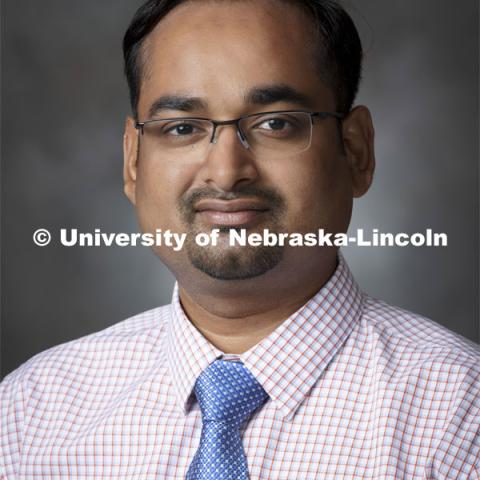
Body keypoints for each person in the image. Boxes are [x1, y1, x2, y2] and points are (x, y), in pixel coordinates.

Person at [1, 0, 479, 478]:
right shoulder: (30, 414)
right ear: (133, 162)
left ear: (355, 152)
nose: (227, 172)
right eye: (182, 128)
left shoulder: (460, 418)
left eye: (276, 123)